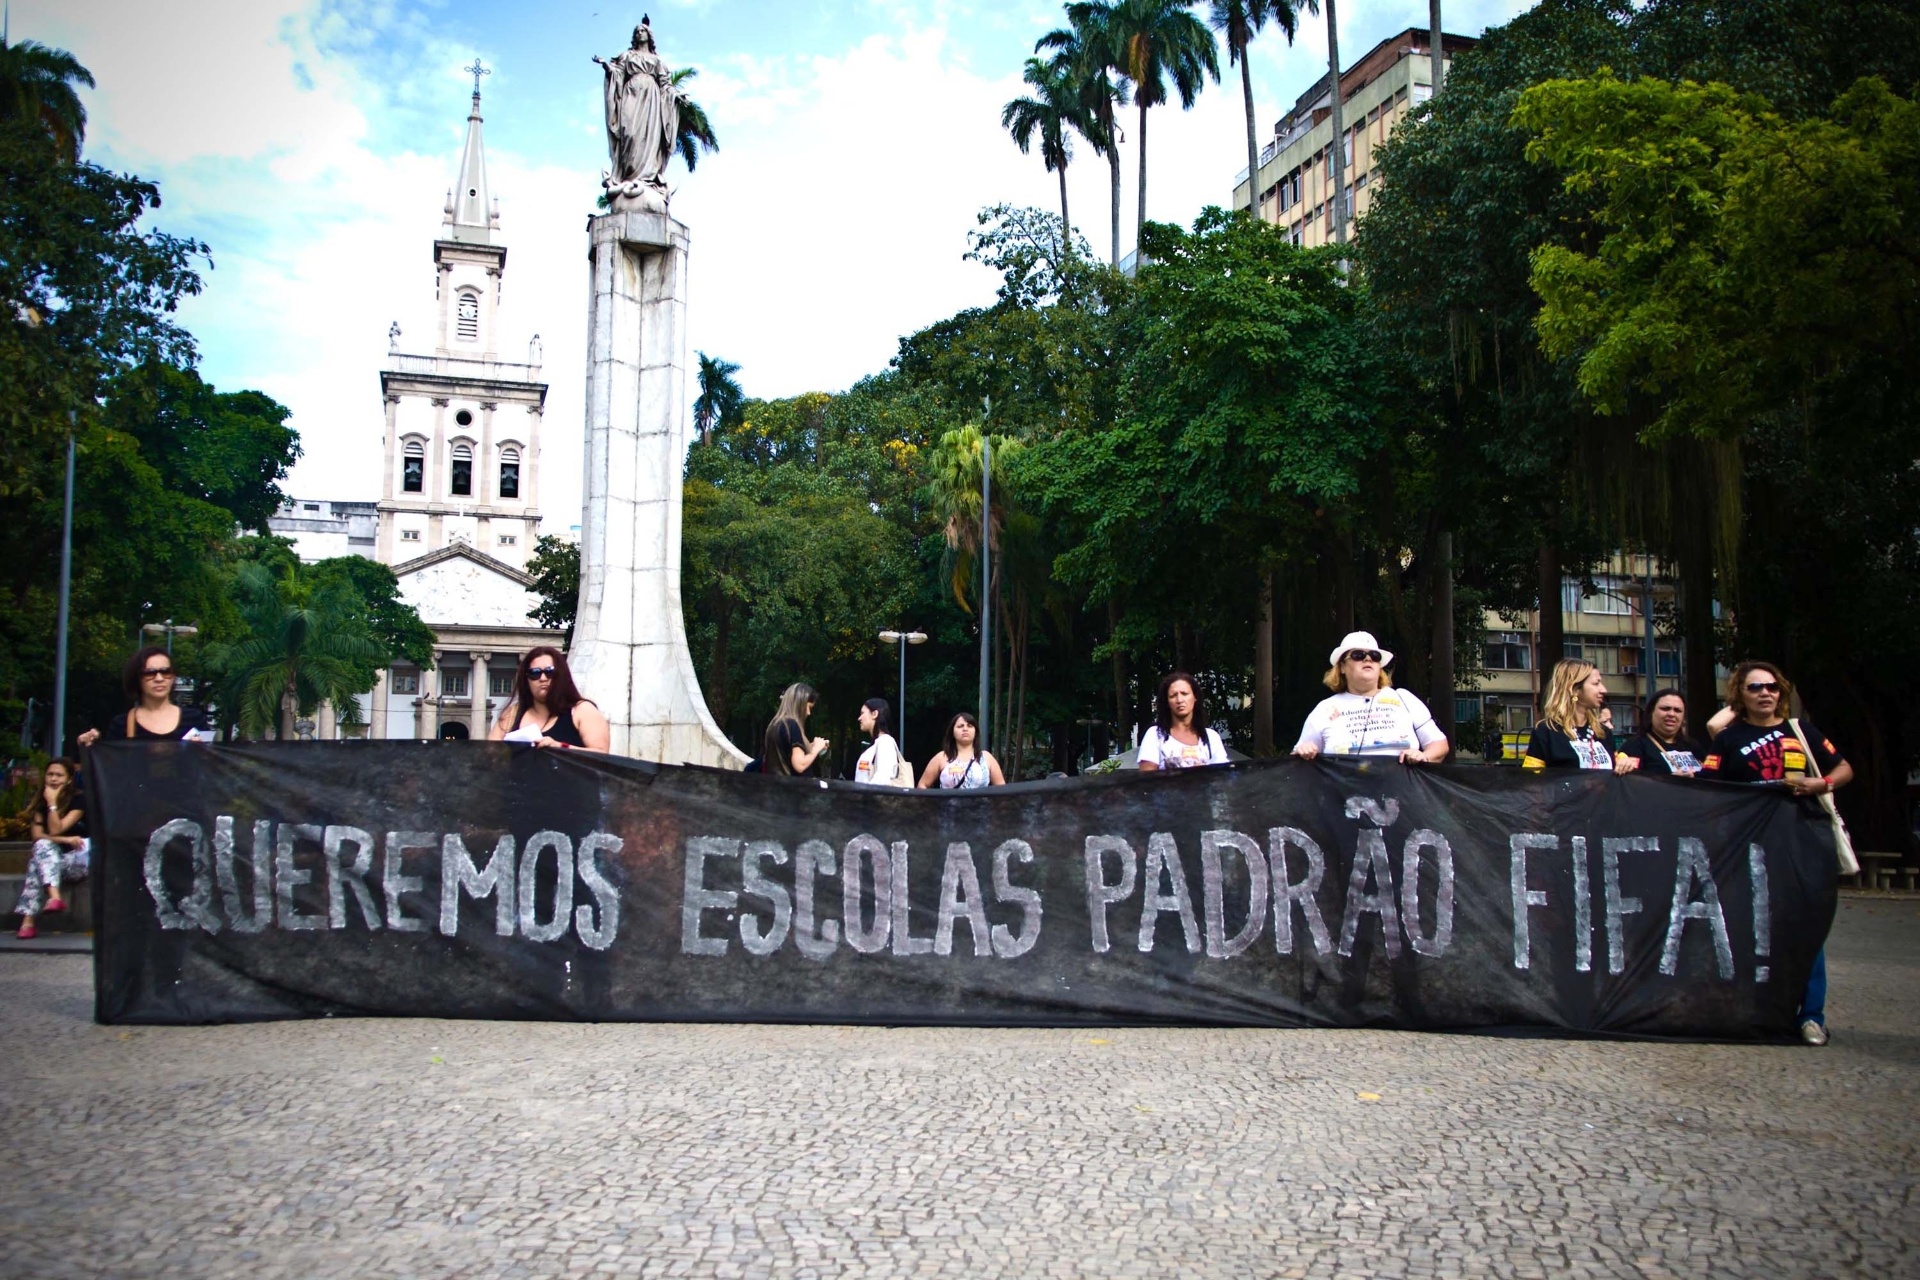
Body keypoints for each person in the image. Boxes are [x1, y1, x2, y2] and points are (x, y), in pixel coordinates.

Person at [1702, 660, 1852, 1047]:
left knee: (1809, 928)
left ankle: (1811, 1017)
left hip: (1802, 844)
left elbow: (1844, 769)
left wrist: (1820, 784)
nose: (1765, 693)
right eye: (1755, 688)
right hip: (1748, 849)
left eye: (1772, 687)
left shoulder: (1801, 732)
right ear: (1740, 696)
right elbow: (1706, 788)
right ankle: (1752, 1011)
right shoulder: (1728, 739)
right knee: (1745, 930)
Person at [1292, 631, 1449, 763]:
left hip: (1402, 796)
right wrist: (1303, 751)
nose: (1368, 659)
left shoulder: (1405, 699)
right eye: (1358, 655)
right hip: (1345, 798)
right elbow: (1297, 761)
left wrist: (1424, 756)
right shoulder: (1324, 709)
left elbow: (1439, 744)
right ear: (1342, 667)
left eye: (1374, 656)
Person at [75, 646, 213, 747]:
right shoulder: (121, 724)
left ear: (173, 677)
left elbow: (213, 764)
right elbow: (111, 769)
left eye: (166, 672)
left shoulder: (195, 719)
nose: (159, 678)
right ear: (137, 679)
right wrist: (92, 746)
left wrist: (203, 751)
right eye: (149, 673)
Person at [15, 758, 87, 941]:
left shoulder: (79, 799)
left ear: (69, 779)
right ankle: (52, 898)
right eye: (50, 774)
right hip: (53, 863)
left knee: (36, 863)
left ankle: (29, 921)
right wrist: (65, 839)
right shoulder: (41, 802)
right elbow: (37, 836)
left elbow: (55, 828)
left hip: (77, 860)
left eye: (59, 775)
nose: (54, 779)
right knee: (40, 850)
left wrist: (53, 804)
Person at [488, 647, 611, 751]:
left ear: (561, 675)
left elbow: (600, 755)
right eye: (534, 673)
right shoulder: (511, 714)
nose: (543, 678)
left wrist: (561, 747)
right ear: (526, 679)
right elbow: (489, 755)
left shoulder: (582, 710)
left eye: (549, 672)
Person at [1522, 659, 1633, 773]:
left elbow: (1616, 768)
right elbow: (1531, 780)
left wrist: (1624, 763)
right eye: (1596, 683)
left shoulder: (1603, 732)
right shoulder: (1546, 731)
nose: (1603, 690)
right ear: (1574, 689)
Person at [1138, 672, 1229, 772]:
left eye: (1185, 694)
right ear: (1167, 702)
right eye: (1173, 696)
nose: (1179, 700)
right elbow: (1146, 781)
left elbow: (1223, 777)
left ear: (1195, 697)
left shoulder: (1211, 738)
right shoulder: (1155, 735)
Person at [1615, 689, 1707, 776]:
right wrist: (1671, 781)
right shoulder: (1634, 745)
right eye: (1665, 709)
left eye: (1677, 710)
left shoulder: (1693, 746)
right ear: (1651, 712)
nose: (1671, 714)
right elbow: (1630, 785)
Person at [916, 711, 1006, 789]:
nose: (965, 729)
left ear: (975, 731)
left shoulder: (987, 758)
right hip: (948, 808)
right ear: (952, 732)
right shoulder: (942, 757)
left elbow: (1001, 789)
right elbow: (922, 785)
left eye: (969, 726)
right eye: (960, 726)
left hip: (981, 808)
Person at [763, 683, 830, 778]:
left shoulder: (774, 724)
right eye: (807, 707)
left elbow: (786, 754)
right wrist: (816, 749)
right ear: (798, 704)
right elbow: (800, 765)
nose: (808, 712)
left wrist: (810, 747)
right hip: (792, 789)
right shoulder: (791, 725)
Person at [853, 698, 906, 786]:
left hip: (871, 799)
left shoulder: (886, 742)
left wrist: (865, 796)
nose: (859, 718)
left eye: (862, 713)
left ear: (874, 714)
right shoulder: (877, 744)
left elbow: (883, 779)